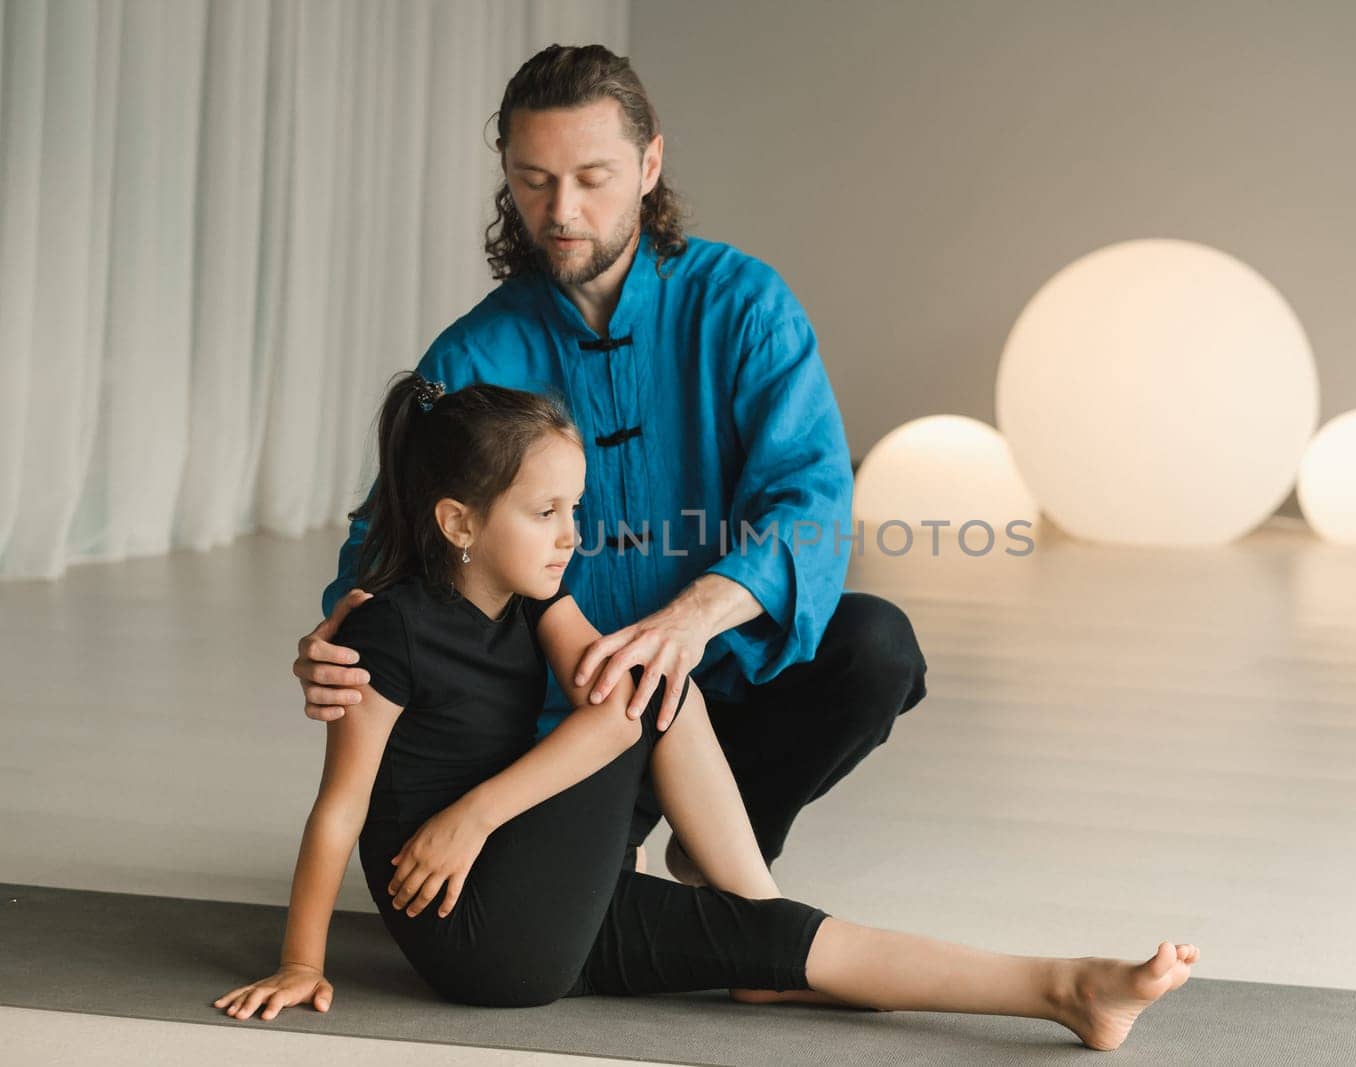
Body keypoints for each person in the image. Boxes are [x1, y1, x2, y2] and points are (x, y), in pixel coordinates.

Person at [215, 375, 1199, 1051]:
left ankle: (1071, 990)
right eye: (545, 511)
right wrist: (301, 959)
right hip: (478, 927)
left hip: (531, 900)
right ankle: (751, 897)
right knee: (652, 676)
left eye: (575, 508)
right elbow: (339, 810)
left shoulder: (537, 599)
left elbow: (608, 694)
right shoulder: (389, 629)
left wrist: (481, 811)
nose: (572, 534)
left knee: (779, 945)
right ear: (459, 522)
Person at [294, 43, 928, 883]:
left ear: (649, 163)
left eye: (592, 178)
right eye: (533, 179)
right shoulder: (475, 350)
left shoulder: (744, 305)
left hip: (724, 676)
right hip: (563, 712)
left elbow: (809, 502)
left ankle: (729, 852)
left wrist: (690, 620)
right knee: (570, 927)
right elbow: (394, 534)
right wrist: (342, 637)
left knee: (876, 647)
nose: (560, 210)